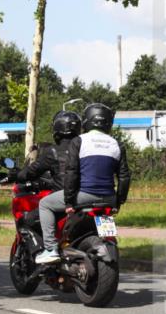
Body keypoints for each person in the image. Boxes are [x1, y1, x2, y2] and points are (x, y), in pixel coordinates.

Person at [35, 103, 130, 264]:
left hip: (84, 196)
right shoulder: (117, 144)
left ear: (87, 120)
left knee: (45, 204)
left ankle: (50, 249)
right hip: (109, 198)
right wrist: (118, 200)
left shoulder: (79, 141)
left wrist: (69, 201)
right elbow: (124, 176)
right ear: (108, 123)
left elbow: (72, 173)